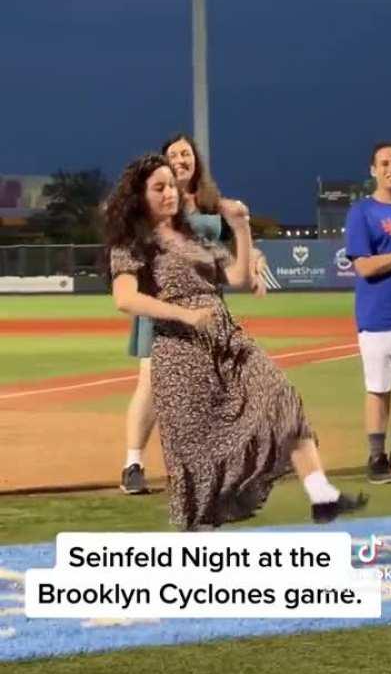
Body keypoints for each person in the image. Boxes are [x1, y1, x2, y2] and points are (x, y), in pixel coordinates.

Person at [106, 153, 367, 529]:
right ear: (139, 197)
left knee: (281, 397)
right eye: (158, 188)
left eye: (171, 186)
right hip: (181, 353)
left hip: (228, 341)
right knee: (198, 457)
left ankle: (322, 494)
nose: (169, 194)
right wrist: (186, 314)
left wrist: (242, 229)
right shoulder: (133, 242)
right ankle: (200, 542)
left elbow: (239, 278)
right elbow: (124, 298)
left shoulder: (193, 235)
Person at [121, 133, 266, 495]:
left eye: (186, 153)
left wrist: (254, 254)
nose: (181, 159)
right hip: (163, 304)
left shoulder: (213, 204)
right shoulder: (155, 203)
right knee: (151, 386)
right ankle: (133, 463)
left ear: (196, 159)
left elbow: (229, 253)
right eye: (173, 155)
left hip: (205, 307)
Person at [345, 141, 391, 484]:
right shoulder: (362, 212)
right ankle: (376, 458)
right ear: (373, 170)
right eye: (386, 163)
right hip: (379, 317)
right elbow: (363, 266)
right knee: (379, 389)